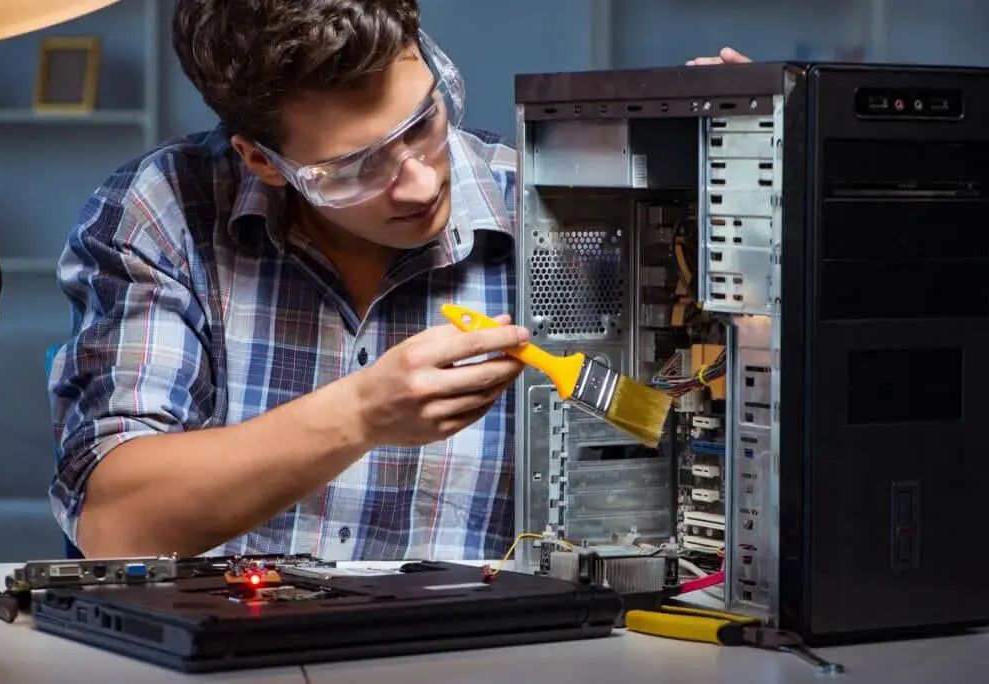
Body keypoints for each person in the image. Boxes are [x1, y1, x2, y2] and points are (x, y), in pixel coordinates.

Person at [47, 0, 749, 560]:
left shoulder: (578, 212)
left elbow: (713, 418)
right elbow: (117, 525)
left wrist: (745, 214)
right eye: (356, 167)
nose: (417, 183)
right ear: (263, 163)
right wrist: (359, 415)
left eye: (422, 123)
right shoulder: (172, 208)